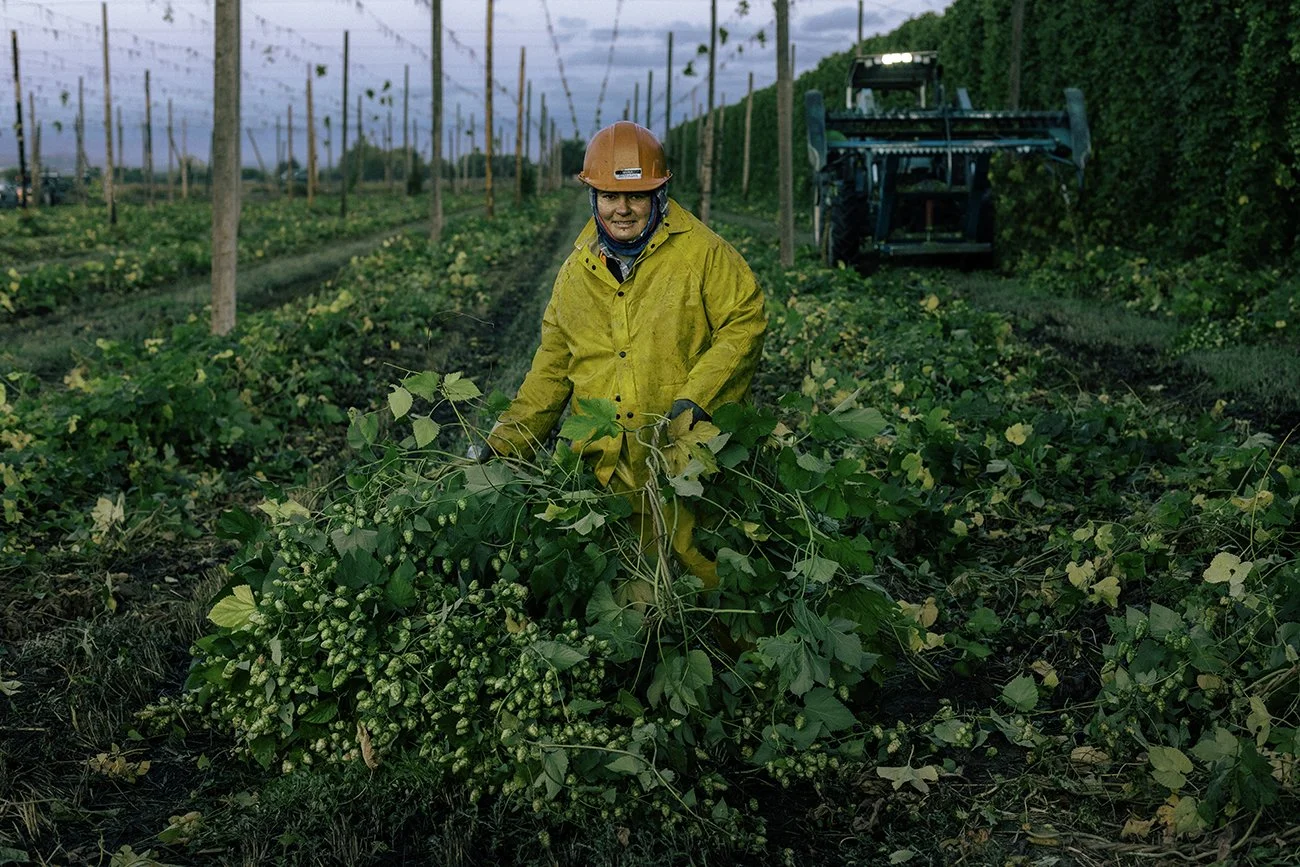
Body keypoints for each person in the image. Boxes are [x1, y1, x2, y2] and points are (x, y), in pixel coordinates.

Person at [484, 120, 766, 589]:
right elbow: (551, 371)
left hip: (683, 469)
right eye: (609, 196)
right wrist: (505, 442)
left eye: (635, 196)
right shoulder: (576, 274)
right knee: (618, 608)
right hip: (601, 478)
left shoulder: (703, 254)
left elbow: (745, 321)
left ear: (658, 195)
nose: (622, 209)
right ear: (592, 198)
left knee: (703, 591)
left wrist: (697, 400)